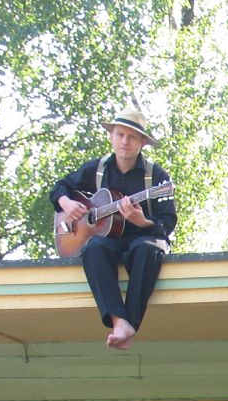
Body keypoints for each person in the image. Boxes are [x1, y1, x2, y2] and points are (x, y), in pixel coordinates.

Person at [50, 104, 176, 350]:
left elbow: (167, 223)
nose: (125, 142)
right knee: (93, 248)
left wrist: (142, 221)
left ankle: (128, 325)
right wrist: (67, 203)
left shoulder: (156, 177)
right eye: (120, 134)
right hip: (108, 240)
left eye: (132, 137)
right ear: (111, 137)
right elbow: (59, 188)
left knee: (146, 250)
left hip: (143, 237)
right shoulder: (98, 169)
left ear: (142, 143)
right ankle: (119, 322)